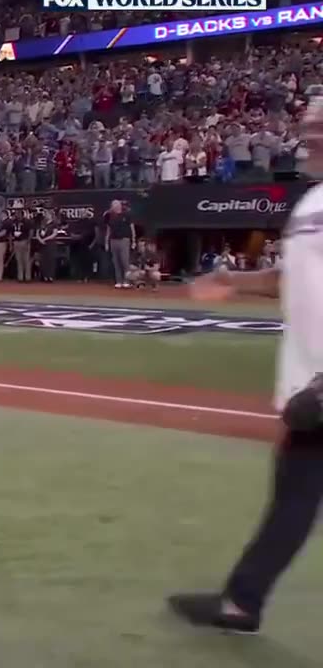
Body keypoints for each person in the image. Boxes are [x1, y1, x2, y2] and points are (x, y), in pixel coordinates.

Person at [167, 86, 323, 635]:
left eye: (322, 125)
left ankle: (243, 599)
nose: (311, 132)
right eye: (309, 122)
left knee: (297, 494)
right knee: (295, 495)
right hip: (311, 385)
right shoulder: (310, 202)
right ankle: (242, 600)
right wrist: (233, 279)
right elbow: (286, 278)